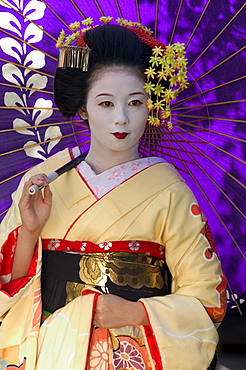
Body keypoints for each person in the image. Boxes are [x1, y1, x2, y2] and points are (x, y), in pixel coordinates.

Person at [0, 21, 226, 370]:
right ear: (83, 108)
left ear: (151, 106)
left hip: (134, 351)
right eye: (106, 103)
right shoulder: (45, 181)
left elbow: (206, 298)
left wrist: (136, 311)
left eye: (135, 102)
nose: (121, 119)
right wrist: (29, 232)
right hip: (51, 347)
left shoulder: (170, 192)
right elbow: (9, 282)